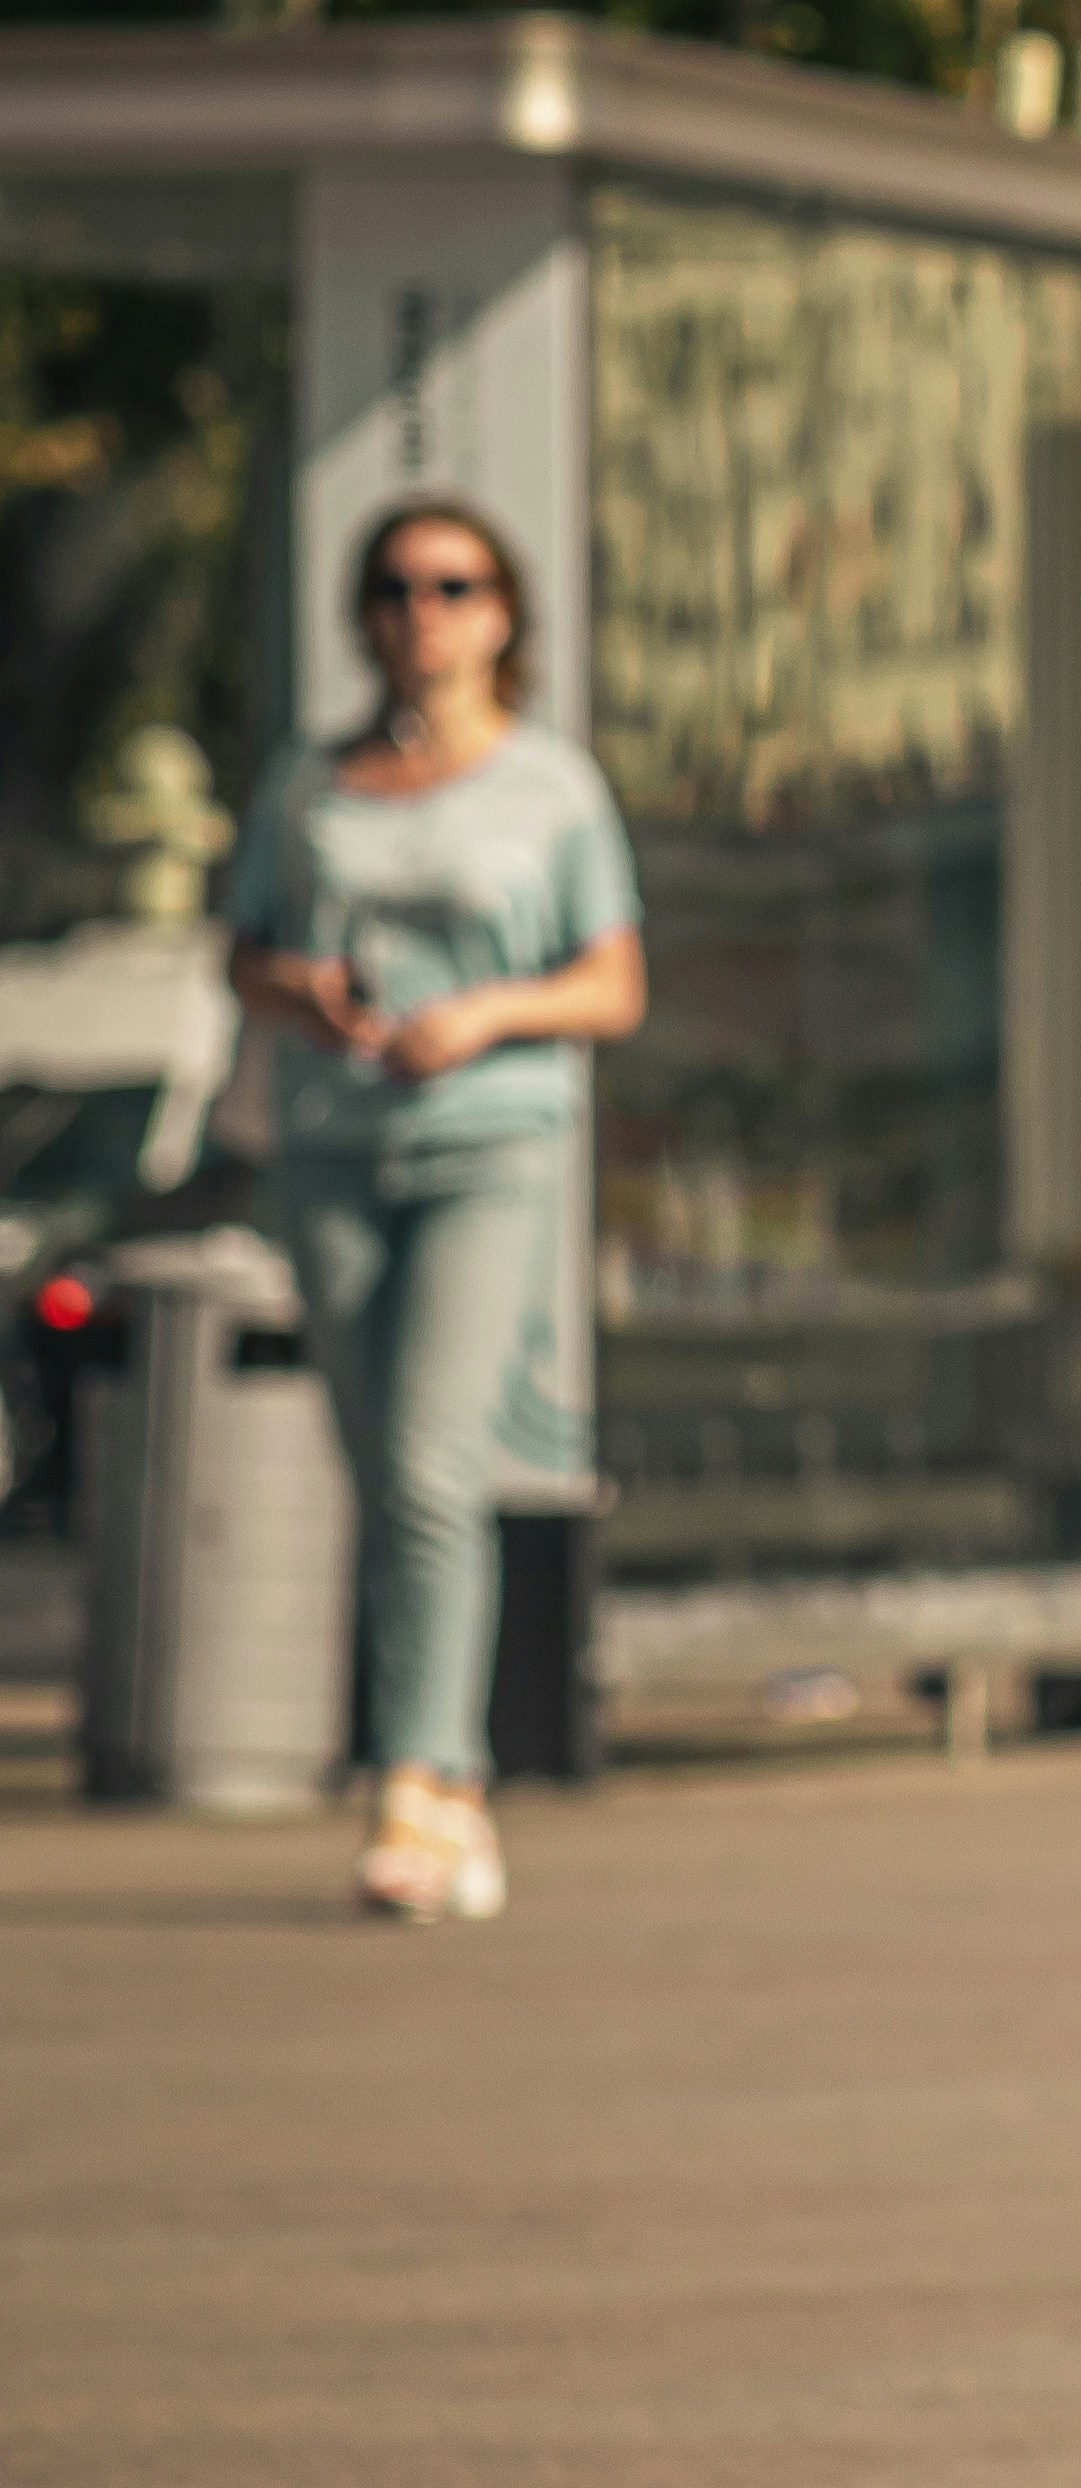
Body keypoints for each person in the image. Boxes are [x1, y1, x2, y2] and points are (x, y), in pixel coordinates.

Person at [220, 495, 645, 1923]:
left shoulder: (553, 790)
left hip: (489, 1143)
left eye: (456, 588)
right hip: (333, 1147)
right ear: (366, 616)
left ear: (504, 614)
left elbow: (613, 984)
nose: (425, 615)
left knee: (428, 1463)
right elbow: (246, 951)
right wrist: (307, 995)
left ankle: (421, 1774)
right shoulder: (311, 781)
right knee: (380, 1471)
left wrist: (482, 1021)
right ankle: (446, 1789)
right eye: (398, 590)